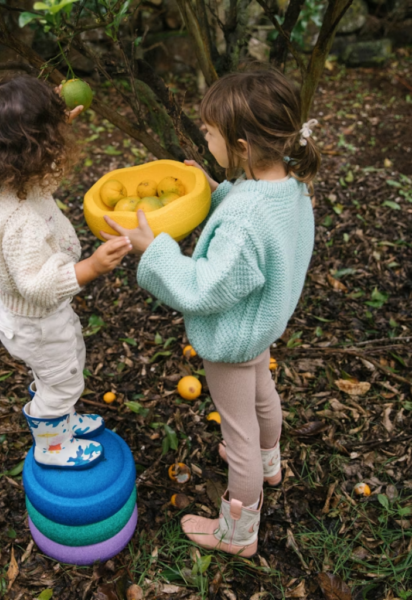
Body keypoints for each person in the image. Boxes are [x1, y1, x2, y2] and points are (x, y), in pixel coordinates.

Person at [103, 68, 320, 555]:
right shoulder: (288, 184)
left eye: (210, 131)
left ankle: (238, 531)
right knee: (263, 394)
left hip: (233, 336)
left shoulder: (246, 219)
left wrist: (153, 249)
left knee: (237, 430)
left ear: (241, 144)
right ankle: (269, 463)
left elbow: (203, 289)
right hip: (262, 324)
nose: (204, 135)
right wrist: (212, 188)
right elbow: (253, 222)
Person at [0, 75, 131, 470]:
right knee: (63, 381)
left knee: (65, 368)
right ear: (34, 151)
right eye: (51, 140)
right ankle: (51, 445)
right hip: (38, 320)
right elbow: (38, 285)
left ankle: (63, 419)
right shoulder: (22, 221)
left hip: (31, 318)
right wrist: (91, 266)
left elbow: (42, 175)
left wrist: (51, 122)